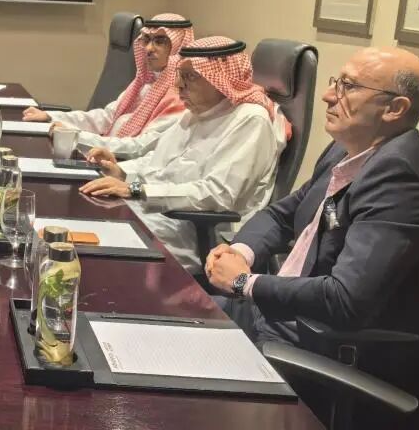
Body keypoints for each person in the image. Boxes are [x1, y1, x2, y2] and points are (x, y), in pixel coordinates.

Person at [206, 47, 419, 430]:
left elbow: (344, 300)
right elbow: (284, 213)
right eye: (336, 82)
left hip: (339, 347)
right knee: (177, 329)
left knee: (185, 393)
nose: (329, 96)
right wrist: (240, 252)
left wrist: (245, 283)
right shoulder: (347, 149)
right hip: (290, 316)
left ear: (394, 109)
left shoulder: (400, 183)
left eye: (348, 87)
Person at [80, 36, 289, 272]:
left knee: (91, 246)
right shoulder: (197, 112)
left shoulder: (250, 120)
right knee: (84, 221)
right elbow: (159, 163)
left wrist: (136, 190)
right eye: (180, 75)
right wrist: (121, 172)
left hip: (193, 234)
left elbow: (217, 194)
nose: (178, 85)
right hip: (155, 214)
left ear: (219, 79)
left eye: (190, 76)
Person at [23, 13, 193, 155]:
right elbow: (107, 117)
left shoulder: (181, 96)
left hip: (124, 168)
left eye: (160, 42)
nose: (148, 49)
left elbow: (140, 147)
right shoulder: (145, 81)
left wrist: (75, 136)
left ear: (178, 46)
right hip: (104, 156)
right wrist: (52, 117)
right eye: (147, 40)